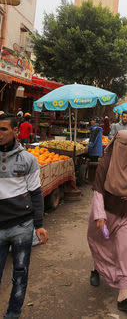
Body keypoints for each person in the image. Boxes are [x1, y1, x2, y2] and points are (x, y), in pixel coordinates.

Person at [87, 130, 127, 313]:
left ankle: (123, 296)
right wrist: (100, 215)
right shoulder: (105, 162)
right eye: (122, 144)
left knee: (125, 250)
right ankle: (96, 269)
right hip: (106, 213)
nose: (125, 148)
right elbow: (97, 190)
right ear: (115, 143)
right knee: (101, 243)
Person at [0, 113, 48, 319]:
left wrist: (39, 224)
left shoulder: (29, 160)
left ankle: (13, 313)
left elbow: (36, 193)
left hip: (22, 226)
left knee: (20, 274)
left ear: (15, 132)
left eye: (3, 129)